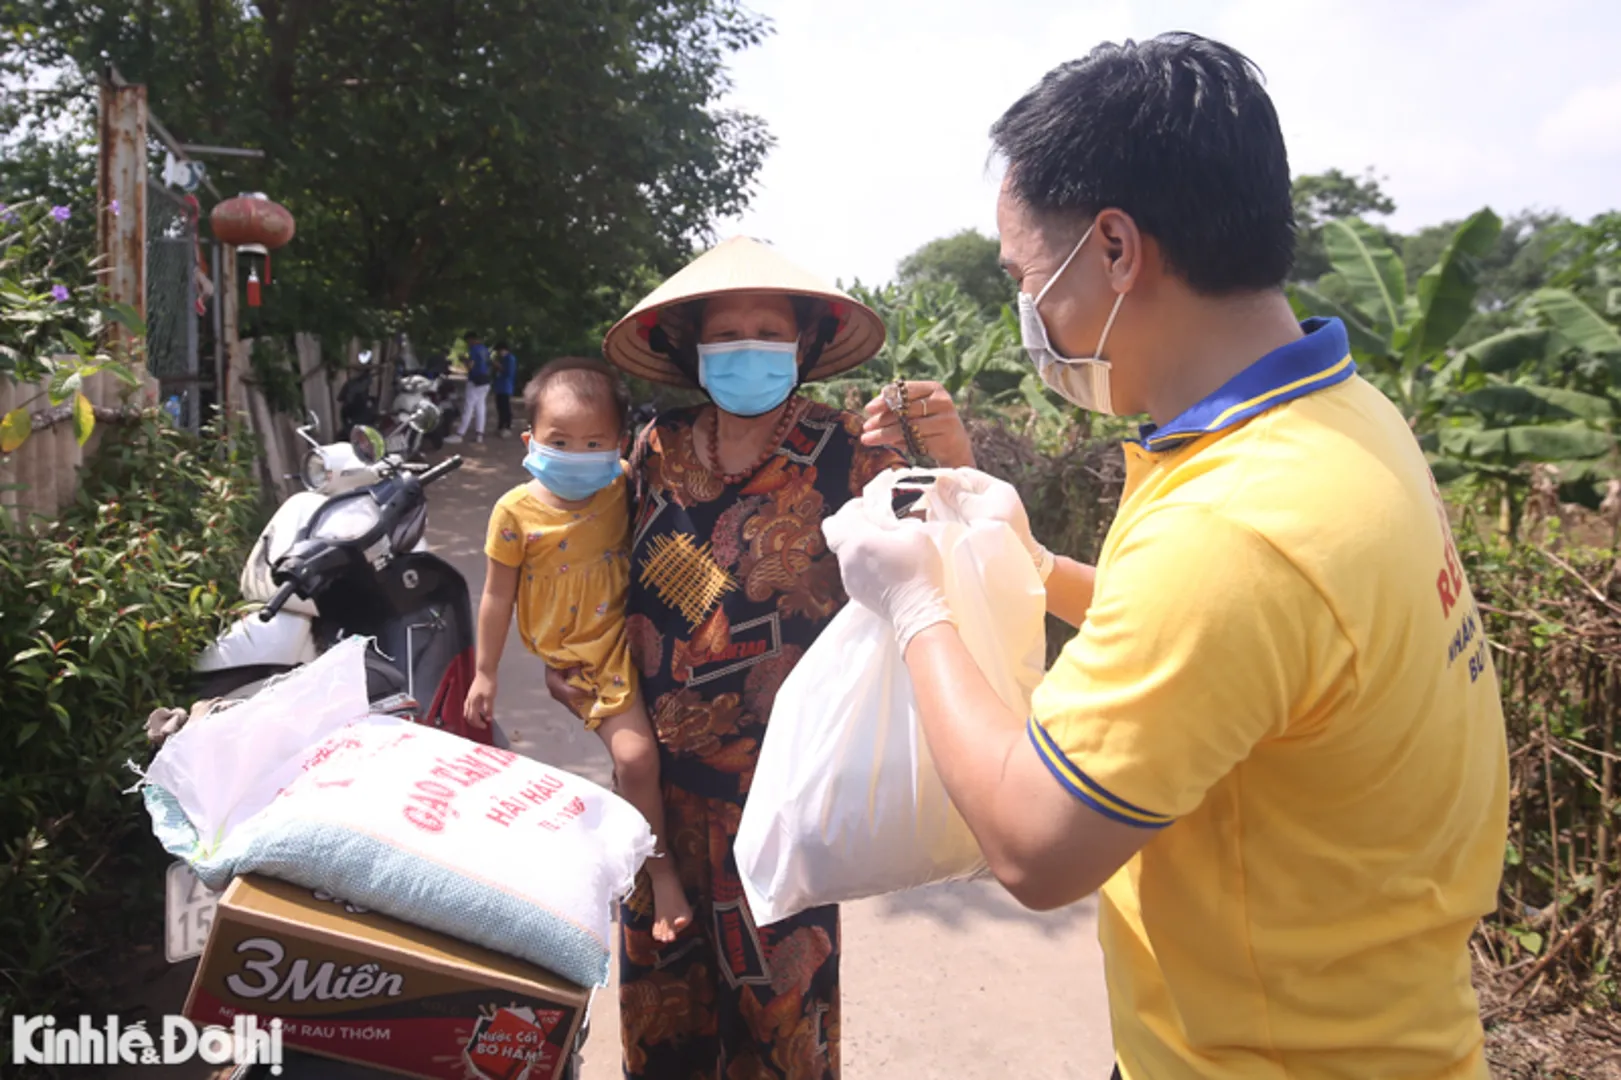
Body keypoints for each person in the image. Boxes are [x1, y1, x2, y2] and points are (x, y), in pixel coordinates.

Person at [824, 33, 1509, 1080]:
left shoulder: (1234, 525)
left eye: (1026, 277)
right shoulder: (1339, 421)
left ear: (1113, 249)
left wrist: (916, 606)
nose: (1030, 319)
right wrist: (1035, 563)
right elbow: (1248, 655)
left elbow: (1033, 844)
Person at [546, 236, 973, 1079]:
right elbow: (593, 568)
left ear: (804, 346)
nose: (747, 347)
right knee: (662, 1023)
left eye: (768, 330)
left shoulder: (852, 454)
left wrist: (954, 456)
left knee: (781, 1029)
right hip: (657, 801)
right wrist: (577, 669)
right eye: (727, 331)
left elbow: (956, 556)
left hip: (783, 795)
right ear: (691, 348)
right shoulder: (653, 451)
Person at [463, 357, 694, 942]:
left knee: (643, 760)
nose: (576, 451)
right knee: (638, 759)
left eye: (594, 441)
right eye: (559, 440)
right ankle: (660, 871)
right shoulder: (515, 512)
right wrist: (483, 673)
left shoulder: (621, 482)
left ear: (618, 443)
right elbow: (496, 596)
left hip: (632, 629)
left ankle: (633, 849)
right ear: (530, 440)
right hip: (586, 658)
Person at [446, 331, 492, 444]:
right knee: (481, 407)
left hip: (475, 381)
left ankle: (460, 434)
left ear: (471, 339)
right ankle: (479, 434)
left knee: (468, 407)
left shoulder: (474, 350)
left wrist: (464, 360)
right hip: (486, 380)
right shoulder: (485, 349)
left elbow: (470, 366)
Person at [492, 342, 519, 439]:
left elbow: (508, 372)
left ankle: (507, 426)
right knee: (499, 407)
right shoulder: (502, 359)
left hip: (505, 387)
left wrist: (498, 366)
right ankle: (500, 426)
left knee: (505, 408)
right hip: (499, 386)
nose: (499, 353)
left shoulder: (510, 359)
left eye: (499, 351)